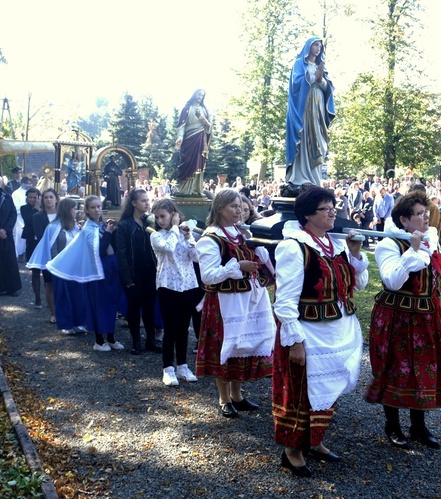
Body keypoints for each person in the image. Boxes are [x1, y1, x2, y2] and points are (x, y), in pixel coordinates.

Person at [272, 187, 368, 477]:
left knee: (328, 388)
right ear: (308, 215)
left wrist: (354, 255)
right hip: (309, 331)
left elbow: (358, 285)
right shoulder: (294, 247)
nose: (333, 212)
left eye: (333, 207)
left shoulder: (334, 245)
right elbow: (285, 301)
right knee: (302, 391)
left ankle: (315, 440)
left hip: (337, 332)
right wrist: (295, 342)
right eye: (326, 208)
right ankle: (292, 451)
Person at [366, 190, 441, 451]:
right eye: (419, 214)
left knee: (425, 370)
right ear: (404, 220)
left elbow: (439, 280)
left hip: (428, 316)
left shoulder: (431, 241)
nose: (425, 218)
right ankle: (392, 426)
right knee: (396, 369)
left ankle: (419, 427)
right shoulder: (390, 244)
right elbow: (392, 281)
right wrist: (413, 251)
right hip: (397, 316)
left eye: (426, 213)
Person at [195, 189, 276, 418]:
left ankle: (237, 396)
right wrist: (237, 267)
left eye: (240, 206)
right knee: (225, 347)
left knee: (240, 346)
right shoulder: (210, 238)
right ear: (220, 208)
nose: (239, 210)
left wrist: (257, 247)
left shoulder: (241, 234)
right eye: (233, 206)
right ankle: (223, 398)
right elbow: (208, 276)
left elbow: (262, 262)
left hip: (245, 301)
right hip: (224, 303)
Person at [47, 196, 123, 351]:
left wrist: (111, 231)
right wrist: (108, 233)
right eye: (93, 207)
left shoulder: (100, 226)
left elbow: (111, 246)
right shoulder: (88, 229)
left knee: (111, 304)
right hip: (97, 272)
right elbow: (99, 251)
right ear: (87, 210)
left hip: (109, 269)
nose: (97, 210)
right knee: (99, 304)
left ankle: (111, 337)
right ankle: (99, 340)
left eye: (99, 206)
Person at [150, 199, 199, 386]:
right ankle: (168, 368)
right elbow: (168, 247)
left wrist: (189, 237)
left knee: (184, 329)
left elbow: (196, 257)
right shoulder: (156, 236)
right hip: (167, 286)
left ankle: (183, 366)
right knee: (170, 328)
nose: (160, 220)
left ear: (173, 214)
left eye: (163, 216)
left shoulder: (181, 233)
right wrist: (176, 228)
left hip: (187, 285)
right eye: (157, 217)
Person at [114, 188, 163, 355]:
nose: (147, 203)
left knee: (149, 307)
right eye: (143, 201)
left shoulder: (150, 223)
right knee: (134, 308)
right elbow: (121, 253)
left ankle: (150, 340)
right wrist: (127, 278)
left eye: (147, 200)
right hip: (133, 273)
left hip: (150, 272)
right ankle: (136, 341)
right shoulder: (124, 226)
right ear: (134, 203)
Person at [285, 37, 335, 192]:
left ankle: (314, 178)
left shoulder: (321, 66)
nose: (318, 48)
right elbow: (296, 83)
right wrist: (313, 76)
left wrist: (321, 79)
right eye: (315, 44)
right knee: (304, 139)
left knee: (318, 141)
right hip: (303, 108)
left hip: (318, 108)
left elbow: (327, 88)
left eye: (320, 45)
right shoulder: (299, 64)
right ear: (308, 46)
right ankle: (300, 178)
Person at [35, 198, 82, 335]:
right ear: (67, 210)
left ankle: (77, 322)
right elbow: (52, 248)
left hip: (75, 267)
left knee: (76, 296)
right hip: (61, 267)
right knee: (63, 296)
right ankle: (66, 324)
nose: (76, 211)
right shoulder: (53, 227)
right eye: (74, 209)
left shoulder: (75, 226)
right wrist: (59, 265)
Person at [28, 188, 59, 319]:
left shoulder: (62, 215)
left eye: (51, 197)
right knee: (49, 283)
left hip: (62, 252)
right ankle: (53, 313)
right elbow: (41, 236)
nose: (49, 200)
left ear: (56, 199)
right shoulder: (37, 217)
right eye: (46, 197)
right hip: (47, 253)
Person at [175, 89, 211, 196]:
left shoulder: (204, 110)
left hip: (201, 139)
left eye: (202, 95)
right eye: (199, 94)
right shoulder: (187, 109)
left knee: (199, 163)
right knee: (187, 162)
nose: (200, 96)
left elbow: (209, 127)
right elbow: (181, 126)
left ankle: (196, 188)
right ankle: (183, 188)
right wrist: (180, 137)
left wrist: (205, 122)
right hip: (189, 139)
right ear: (194, 94)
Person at [20, 188, 41, 263]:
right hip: (30, 236)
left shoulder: (44, 208)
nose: (32, 200)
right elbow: (28, 221)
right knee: (31, 260)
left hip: (41, 236)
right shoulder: (24, 208)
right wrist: (35, 209)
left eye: (35, 197)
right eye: (30, 197)